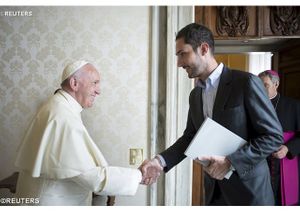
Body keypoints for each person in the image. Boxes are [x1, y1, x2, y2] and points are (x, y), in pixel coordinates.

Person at [140, 23, 283, 205]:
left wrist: (231, 162)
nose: (178, 63)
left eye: (182, 54)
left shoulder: (246, 83)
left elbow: (273, 137)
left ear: (204, 49)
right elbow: (191, 137)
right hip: (214, 193)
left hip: (251, 194)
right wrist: (159, 162)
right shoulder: (195, 95)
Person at [14, 60, 142, 205]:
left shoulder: (60, 106)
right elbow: (90, 175)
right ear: (74, 83)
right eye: (94, 83)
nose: (98, 90)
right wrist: (139, 176)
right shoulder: (62, 115)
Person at [259, 70, 300, 205]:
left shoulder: (293, 106)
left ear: (276, 84)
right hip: (260, 163)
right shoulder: (253, 105)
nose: (261, 89)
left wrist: (288, 148)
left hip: (284, 163)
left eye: (265, 85)